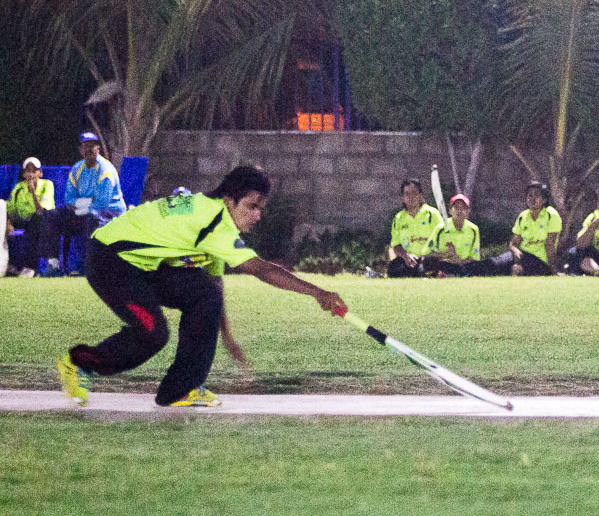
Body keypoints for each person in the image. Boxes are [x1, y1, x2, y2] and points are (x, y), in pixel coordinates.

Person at [56, 165, 345, 407]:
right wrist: (318, 292)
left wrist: (227, 337)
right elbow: (261, 269)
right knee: (153, 334)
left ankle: (182, 389)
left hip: (144, 266)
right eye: (252, 206)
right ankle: (79, 362)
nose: (258, 215)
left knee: (203, 293)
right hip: (110, 261)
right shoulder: (214, 220)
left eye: (261, 208)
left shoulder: (211, 213)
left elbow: (213, 286)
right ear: (229, 200)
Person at [52, 132, 126, 275]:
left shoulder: (105, 169)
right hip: (85, 211)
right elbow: (69, 198)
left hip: (111, 214)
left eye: (91, 146)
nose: (88, 150)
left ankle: (89, 266)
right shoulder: (77, 169)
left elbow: (102, 203)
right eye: (85, 146)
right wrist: (88, 202)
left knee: (91, 218)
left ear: (98, 149)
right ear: (80, 149)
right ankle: (53, 264)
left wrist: (80, 207)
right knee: (52, 215)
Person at [465, 182, 562, 277]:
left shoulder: (551, 215)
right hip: (521, 256)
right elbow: (514, 243)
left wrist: (553, 270)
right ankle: (462, 270)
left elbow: (550, 245)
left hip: (540, 261)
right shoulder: (523, 216)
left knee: (515, 270)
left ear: (544, 200)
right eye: (529, 195)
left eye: (536, 195)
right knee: (493, 264)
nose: (532, 198)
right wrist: (515, 252)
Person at [7, 157, 56, 276]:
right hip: (22, 219)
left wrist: (33, 190)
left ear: (40, 173)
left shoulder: (47, 185)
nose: (31, 174)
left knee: (37, 219)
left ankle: (30, 267)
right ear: (24, 174)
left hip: (42, 221)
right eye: (28, 171)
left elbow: (41, 211)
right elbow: (9, 209)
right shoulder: (19, 187)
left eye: (34, 171)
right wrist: (8, 223)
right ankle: (9, 266)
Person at [387, 179, 444, 278]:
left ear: (421, 195)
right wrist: (406, 256)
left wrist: (428, 255)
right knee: (394, 268)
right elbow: (396, 245)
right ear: (403, 197)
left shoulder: (432, 214)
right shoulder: (399, 218)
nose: (411, 197)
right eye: (407, 194)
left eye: (414, 193)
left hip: (428, 258)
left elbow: (442, 239)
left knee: (425, 267)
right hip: (409, 259)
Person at [424, 194, 481, 277]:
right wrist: (446, 254)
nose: (459, 211)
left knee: (480, 266)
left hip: (463, 265)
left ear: (468, 211)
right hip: (444, 264)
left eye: (463, 208)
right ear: (450, 210)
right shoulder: (441, 228)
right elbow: (427, 253)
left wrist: (460, 261)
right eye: (456, 207)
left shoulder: (473, 229)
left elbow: (474, 257)